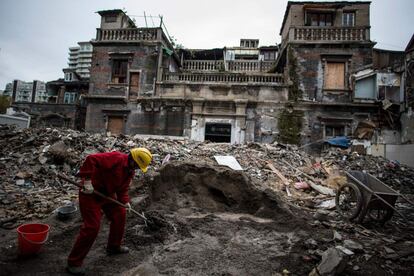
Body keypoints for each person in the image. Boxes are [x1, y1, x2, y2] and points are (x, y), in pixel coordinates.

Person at [66, 148, 152, 275]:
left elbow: (122, 188)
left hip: (107, 194)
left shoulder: (129, 171)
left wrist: (125, 201)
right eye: (138, 166)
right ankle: (73, 262)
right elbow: (91, 159)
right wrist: (88, 181)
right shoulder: (116, 158)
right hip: (90, 193)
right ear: (133, 160)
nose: (138, 169)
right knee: (92, 227)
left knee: (120, 213)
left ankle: (113, 247)